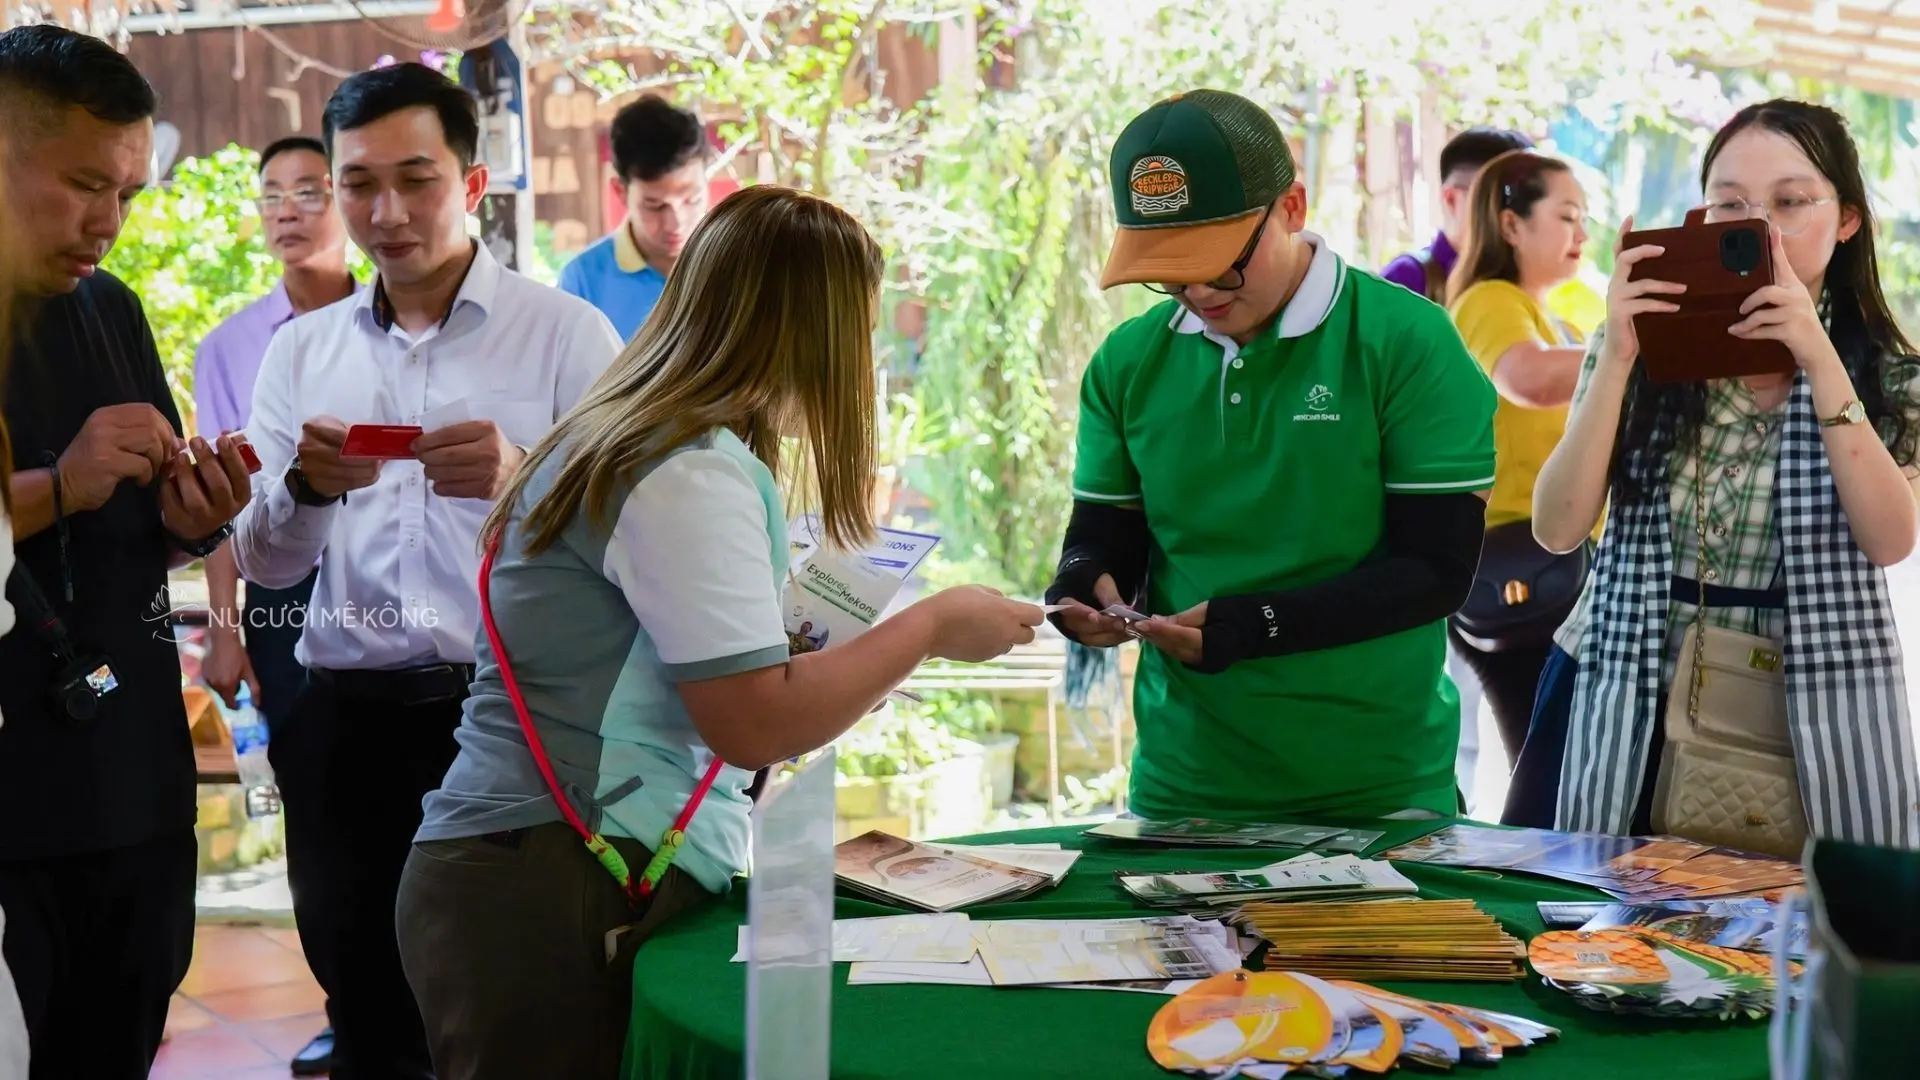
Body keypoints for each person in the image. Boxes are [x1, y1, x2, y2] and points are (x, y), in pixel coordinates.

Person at [396, 184, 1043, 1078]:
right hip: (554, 873)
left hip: (535, 862)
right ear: (814, 327)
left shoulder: (631, 440)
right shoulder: (681, 467)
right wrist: (933, 625)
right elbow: (752, 722)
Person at [229, 63, 621, 1079]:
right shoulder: (302, 355)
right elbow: (266, 561)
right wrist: (307, 490)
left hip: (505, 722)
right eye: (358, 183)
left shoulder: (565, 336)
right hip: (343, 721)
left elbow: (625, 545)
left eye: (417, 178)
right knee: (364, 1004)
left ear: (474, 183)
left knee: (511, 1012)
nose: (387, 211)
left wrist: (518, 481)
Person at [1045, 89, 1497, 823]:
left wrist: (1255, 624)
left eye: (1220, 264)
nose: (1195, 292)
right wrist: (1083, 588)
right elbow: (1106, 531)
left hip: (1378, 788)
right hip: (1182, 785)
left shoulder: (1408, 343)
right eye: (1167, 272)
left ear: (1292, 205)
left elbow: (1435, 573)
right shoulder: (1128, 360)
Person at [1519, 99, 1920, 847]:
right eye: (1729, 205)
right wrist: (1618, 356)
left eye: (1791, 202)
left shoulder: (1891, 378)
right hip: (1611, 679)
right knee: (1572, 932)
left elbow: (1890, 539)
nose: (1758, 228)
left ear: (1848, 221)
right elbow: (1559, 527)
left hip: (1796, 701)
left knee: (1763, 953)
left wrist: (1817, 355)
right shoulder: (1642, 351)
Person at [0, 25, 253, 1078]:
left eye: (130, 195)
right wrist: (57, 485)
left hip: (131, 764)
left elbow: (140, 524)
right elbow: (75, 492)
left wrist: (197, 513)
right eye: (82, 186)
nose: (107, 223)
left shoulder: (110, 306)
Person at [192, 133, 358, 1079]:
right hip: (287, 605)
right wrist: (225, 632)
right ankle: (346, 1001)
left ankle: (423, 996)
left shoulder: (396, 320)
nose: (288, 210)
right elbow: (220, 504)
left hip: (401, 606)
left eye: (310, 190)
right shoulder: (232, 346)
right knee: (317, 811)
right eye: (272, 196)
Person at [1442, 149, 1592, 770]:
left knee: (1569, 766)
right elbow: (1527, 379)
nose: (1583, 233)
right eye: (1567, 215)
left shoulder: (1550, 315)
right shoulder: (1488, 301)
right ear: (1511, 225)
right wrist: (1630, 350)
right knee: (1549, 771)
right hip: (1518, 568)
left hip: (1558, 563)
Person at [558, 94, 712, 340]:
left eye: (691, 199)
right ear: (621, 191)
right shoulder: (583, 281)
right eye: (655, 205)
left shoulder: (740, 264)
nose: (676, 222)